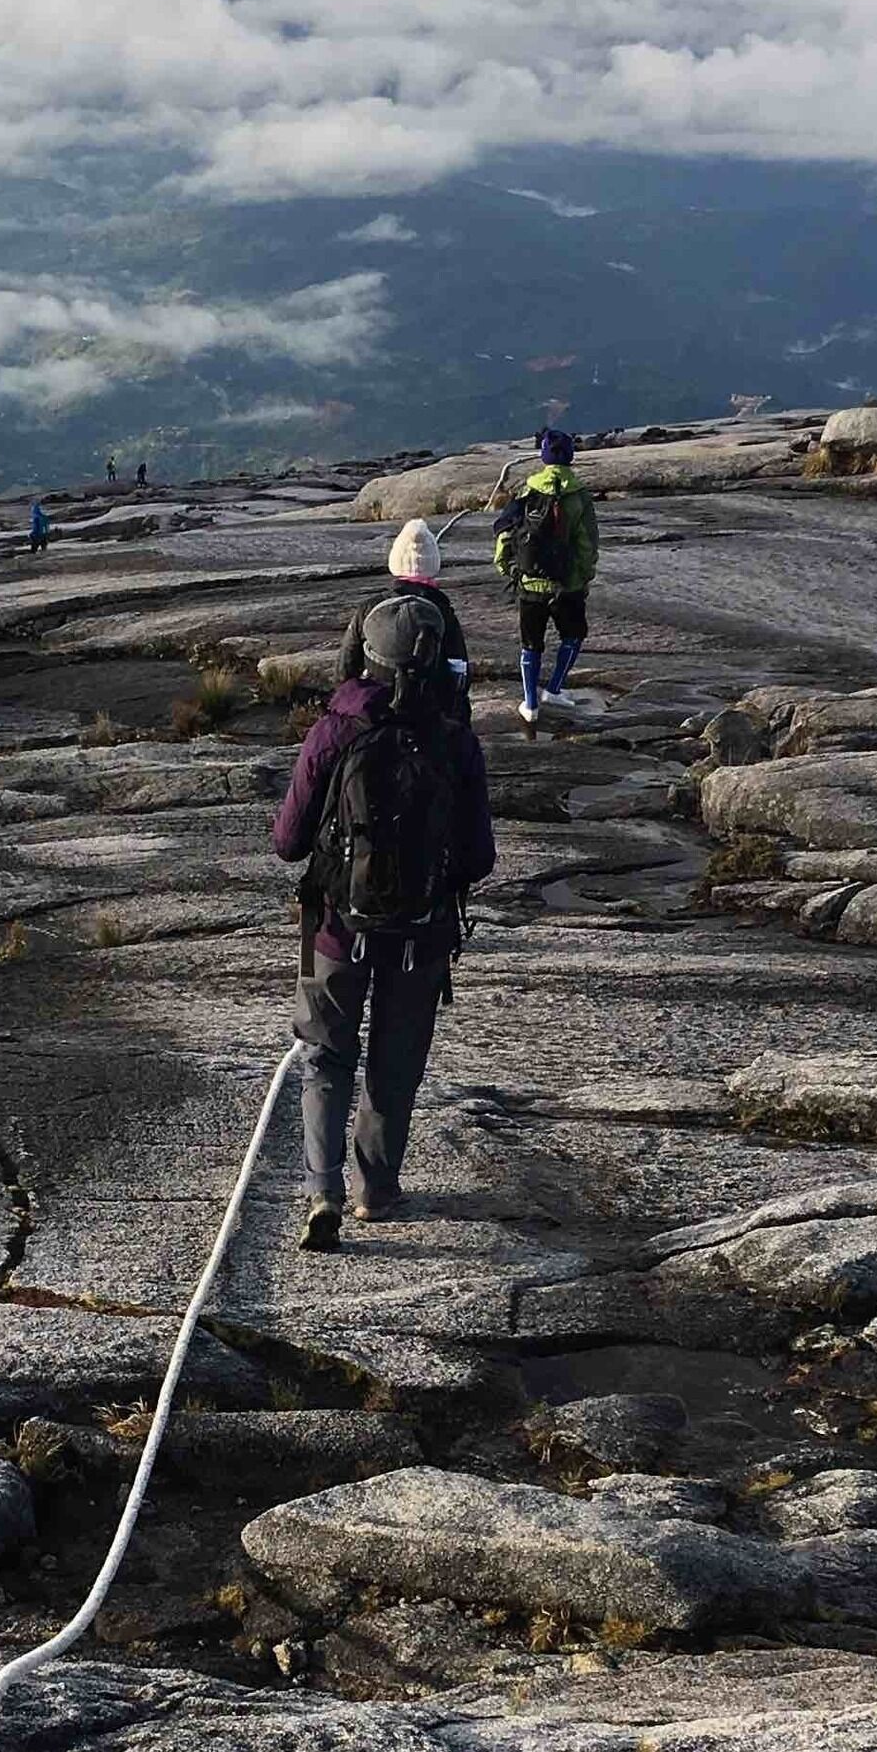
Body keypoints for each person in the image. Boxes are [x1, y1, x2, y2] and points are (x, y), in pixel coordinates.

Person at [271, 586, 495, 1252]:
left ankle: (322, 1191)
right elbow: (479, 857)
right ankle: (376, 1189)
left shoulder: (334, 730)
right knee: (395, 1064)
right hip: (421, 940)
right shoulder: (456, 742)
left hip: (331, 930)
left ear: (361, 654)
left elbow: (287, 842)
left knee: (323, 1056)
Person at [493, 425, 599, 726]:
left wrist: (507, 569)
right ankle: (553, 689)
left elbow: (506, 533)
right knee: (573, 636)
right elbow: (587, 544)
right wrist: (582, 577)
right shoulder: (579, 495)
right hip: (567, 586)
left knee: (530, 644)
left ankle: (529, 703)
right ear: (570, 458)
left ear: (543, 458)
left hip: (529, 583)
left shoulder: (526, 491)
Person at [340, 517, 471, 707]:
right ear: (433, 564)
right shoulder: (444, 614)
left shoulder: (368, 609)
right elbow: (460, 672)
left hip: (376, 710)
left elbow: (345, 669)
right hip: (430, 713)